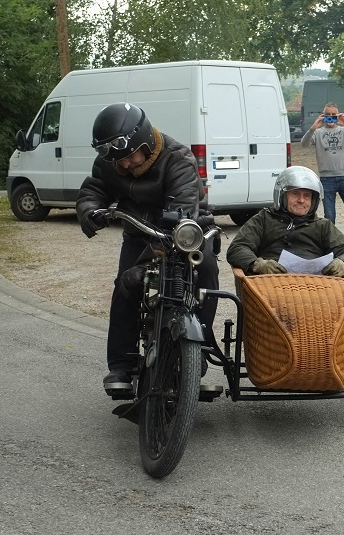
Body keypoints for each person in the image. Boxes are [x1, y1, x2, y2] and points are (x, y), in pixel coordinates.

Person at [76, 102, 219, 396]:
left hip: (186, 231)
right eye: (118, 162)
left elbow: (183, 213)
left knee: (206, 272)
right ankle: (121, 364)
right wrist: (89, 209)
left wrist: (143, 267)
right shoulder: (111, 161)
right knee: (124, 285)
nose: (124, 166)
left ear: (145, 142)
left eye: (129, 157)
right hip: (140, 231)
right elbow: (95, 188)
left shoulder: (178, 159)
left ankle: (199, 352)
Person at [226, 166, 344, 277]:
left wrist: (343, 263)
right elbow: (237, 248)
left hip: (316, 287)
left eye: (307, 196)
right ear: (282, 196)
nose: (301, 200)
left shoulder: (323, 225)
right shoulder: (263, 219)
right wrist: (258, 265)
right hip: (268, 284)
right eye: (295, 194)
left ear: (314, 201)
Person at [300, 102, 344, 251]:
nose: (330, 118)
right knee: (329, 216)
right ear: (323, 116)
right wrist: (313, 127)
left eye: (333, 115)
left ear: (338, 115)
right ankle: (331, 247)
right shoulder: (318, 133)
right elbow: (304, 144)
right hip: (326, 179)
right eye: (327, 115)